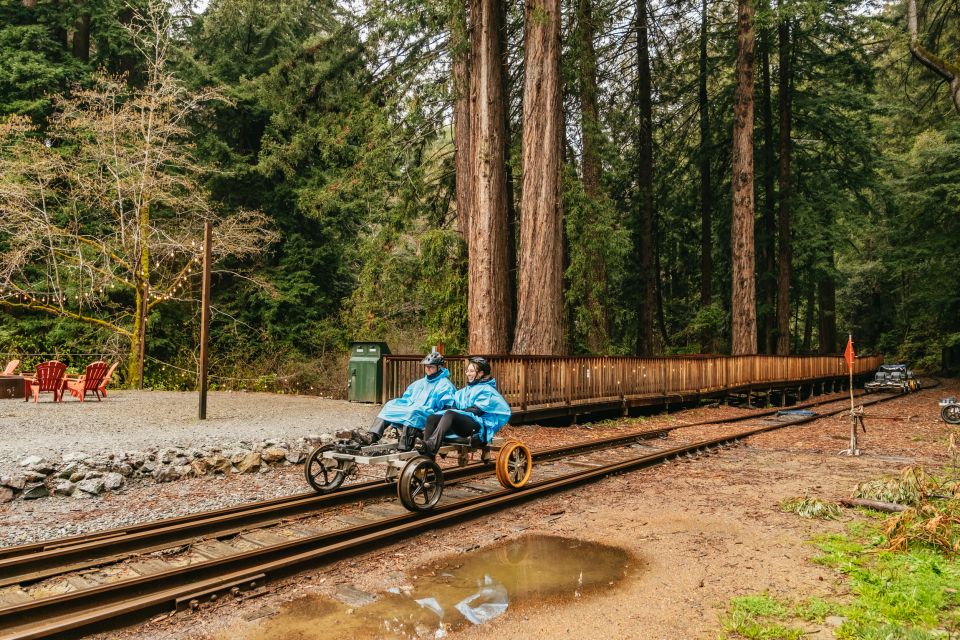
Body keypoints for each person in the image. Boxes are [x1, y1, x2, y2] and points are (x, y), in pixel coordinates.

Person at [350, 351, 456, 448]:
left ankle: (405, 444)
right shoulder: (419, 383)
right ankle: (372, 436)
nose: (428, 369)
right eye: (426, 366)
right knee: (390, 405)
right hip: (412, 410)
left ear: (439, 367)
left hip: (428, 415)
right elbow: (406, 398)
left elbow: (447, 409)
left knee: (413, 411)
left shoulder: (445, 385)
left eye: (431, 367)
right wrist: (402, 405)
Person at [421, 356, 511, 458]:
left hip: (477, 425)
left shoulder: (487, 390)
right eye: (467, 371)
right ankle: (427, 459)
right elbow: (453, 405)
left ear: (480, 373)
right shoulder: (465, 390)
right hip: (462, 423)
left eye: (471, 371)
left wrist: (456, 411)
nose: (468, 374)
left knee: (450, 414)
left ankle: (431, 445)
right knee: (432, 418)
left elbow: (476, 411)